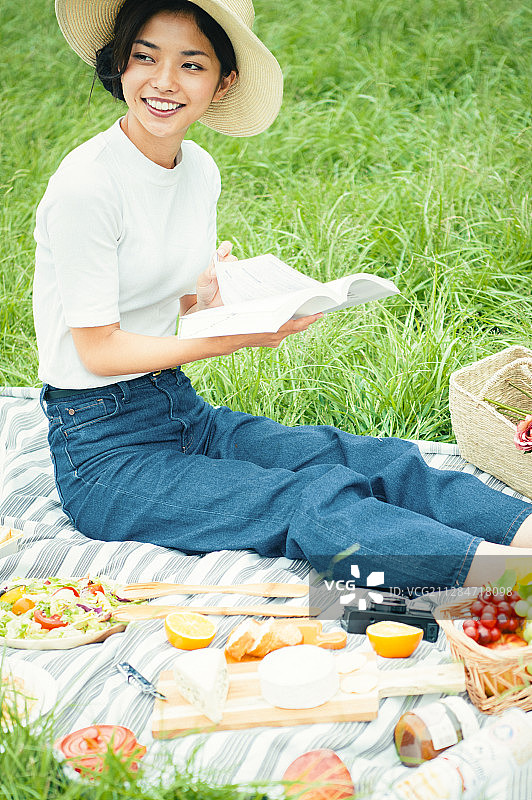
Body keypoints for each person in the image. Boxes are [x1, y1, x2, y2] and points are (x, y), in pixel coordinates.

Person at [34, 0, 532, 592]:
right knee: (310, 504)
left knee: (363, 459)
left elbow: (168, 305)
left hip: (179, 413)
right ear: (120, 63)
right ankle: (500, 591)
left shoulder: (197, 169)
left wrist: (213, 299)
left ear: (224, 82)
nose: (163, 82)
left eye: (191, 64)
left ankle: (522, 531)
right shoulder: (86, 186)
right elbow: (99, 351)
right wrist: (231, 339)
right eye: (145, 57)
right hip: (107, 454)